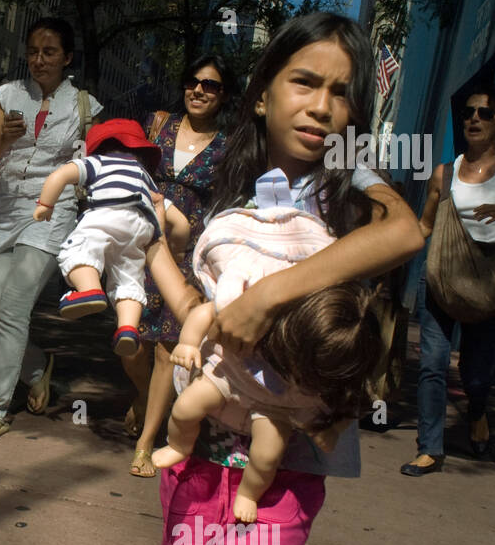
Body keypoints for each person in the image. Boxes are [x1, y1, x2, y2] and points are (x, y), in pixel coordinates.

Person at [156, 12, 424, 545]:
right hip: (200, 449)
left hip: (288, 469)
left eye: (341, 92)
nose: (322, 106)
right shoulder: (220, 183)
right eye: (304, 82)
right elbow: (194, 292)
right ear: (263, 93)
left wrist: (272, 296)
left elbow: (407, 231)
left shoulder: (351, 189)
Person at [151, 185, 383, 519]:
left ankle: (248, 493)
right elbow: (206, 312)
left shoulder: (320, 366)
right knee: (186, 408)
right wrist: (188, 343)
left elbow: (345, 403)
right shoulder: (263, 303)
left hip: (276, 405)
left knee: (266, 456)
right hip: (231, 374)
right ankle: (178, 445)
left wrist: (326, 428)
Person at [0, 18, 102, 439]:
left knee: (14, 307)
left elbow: (89, 170)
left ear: (67, 57)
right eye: (33, 51)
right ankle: (38, 367)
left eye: (49, 52)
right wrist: (3, 140)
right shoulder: (6, 96)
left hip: (50, 211)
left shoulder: (85, 107)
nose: (39, 60)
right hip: (2, 209)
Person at [401, 82, 495, 475]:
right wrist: (386, 249)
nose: (474, 119)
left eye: (484, 113)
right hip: (441, 279)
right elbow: (424, 226)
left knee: (476, 376)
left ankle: (477, 411)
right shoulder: (444, 174)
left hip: (489, 286)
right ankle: (430, 448)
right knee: (432, 364)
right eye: (468, 113)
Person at [126, 55, 234, 477]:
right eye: (193, 80)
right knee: (129, 339)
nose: (200, 90)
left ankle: (145, 441)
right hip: (143, 242)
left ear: (223, 95)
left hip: (191, 254)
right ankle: (140, 396)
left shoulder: (230, 143)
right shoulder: (159, 125)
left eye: (211, 85)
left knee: (167, 350)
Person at [33, 118, 189, 353]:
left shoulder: (98, 162)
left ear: (99, 147)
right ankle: (128, 328)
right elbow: (182, 223)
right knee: (129, 277)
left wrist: (46, 204)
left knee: (78, 250)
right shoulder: (144, 177)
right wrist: (176, 250)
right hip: (140, 227)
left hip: (105, 215)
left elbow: (61, 175)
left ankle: (88, 289)